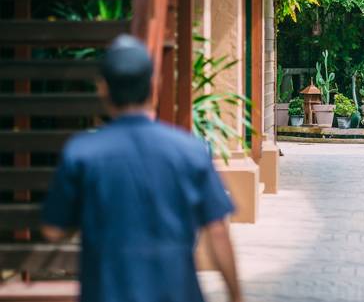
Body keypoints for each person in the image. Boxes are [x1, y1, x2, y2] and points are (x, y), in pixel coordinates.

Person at [41, 34, 243, 302]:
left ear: (103, 88)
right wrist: (236, 296)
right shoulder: (190, 151)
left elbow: (53, 229)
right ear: (153, 84)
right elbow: (217, 231)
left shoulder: (81, 153)